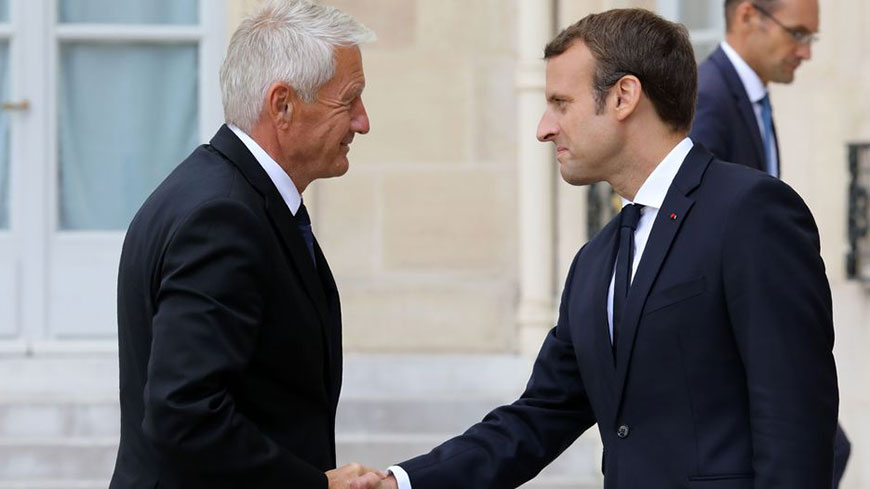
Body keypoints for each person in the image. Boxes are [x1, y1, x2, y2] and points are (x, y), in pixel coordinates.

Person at [351, 8, 838, 489]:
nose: (544, 127)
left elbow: (795, 423)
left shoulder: (750, 212)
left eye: (561, 103)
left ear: (624, 96)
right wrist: (402, 482)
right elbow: (537, 417)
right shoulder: (595, 261)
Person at [108, 1, 386, 488]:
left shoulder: (219, 192)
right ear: (282, 105)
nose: (362, 122)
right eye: (349, 100)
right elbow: (185, 414)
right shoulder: (223, 217)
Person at [690, 1, 851, 485]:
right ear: (746, 16)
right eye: (798, 34)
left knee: (826, 449)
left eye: (812, 39)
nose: (805, 52)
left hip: (758, 333)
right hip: (731, 343)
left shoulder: (747, 94)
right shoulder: (710, 98)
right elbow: (694, 231)